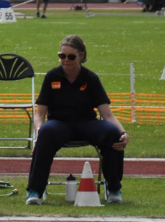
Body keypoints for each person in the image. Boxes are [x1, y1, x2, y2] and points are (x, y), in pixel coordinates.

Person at [26, 35, 128, 205]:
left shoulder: (91, 78)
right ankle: (35, 190)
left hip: (86, 123)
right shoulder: (52, 76)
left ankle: (114, 188)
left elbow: (107, 114)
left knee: (113, 134)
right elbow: (39, 114)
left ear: (82, 55)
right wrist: (38, 133)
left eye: (71, 56)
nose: (65, 60)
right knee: (45, 133)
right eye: (62, 56)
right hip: (59, 124)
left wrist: (123, 132)